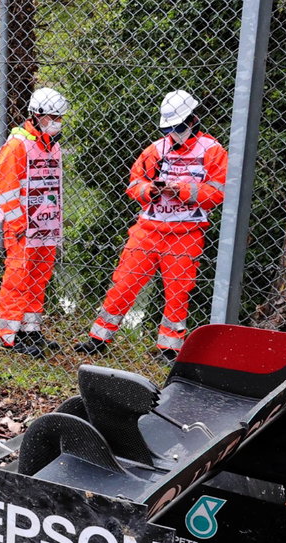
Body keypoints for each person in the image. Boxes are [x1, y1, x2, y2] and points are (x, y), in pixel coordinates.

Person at [77, 90, 229, 361]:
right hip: (147, 230)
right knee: (123, 284)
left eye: (179, 127)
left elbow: (218, 193)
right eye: (170, 128)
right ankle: (98, 338)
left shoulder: (213, 151)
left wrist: (181, 189)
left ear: (193, 120)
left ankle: (169, 349)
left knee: (178, 292)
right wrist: (151, 190)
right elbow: (134, 183)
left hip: (187, 233)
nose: (175, 133)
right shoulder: (156, 149)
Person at [0, 88, 68, 356]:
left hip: (46, 225)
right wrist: (17, 226)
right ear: (37, 115)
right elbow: (5, 192)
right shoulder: (17, 146)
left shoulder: (54, 146)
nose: (58, 120)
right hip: (23, 228)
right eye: (53, 116)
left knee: (39, 278)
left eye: (60, 116)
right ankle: (10, 335)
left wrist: (54, 222)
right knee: (18, 277)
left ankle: (31, 331)